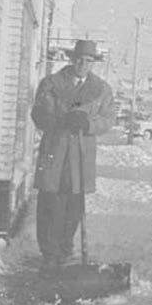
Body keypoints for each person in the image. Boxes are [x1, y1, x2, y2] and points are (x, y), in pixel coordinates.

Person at [31, 39, 115, 268]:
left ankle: (65, 251)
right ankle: (49, 254)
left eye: (88, 61)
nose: (83, 64)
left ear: (93, 63)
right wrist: (61, 121)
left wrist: (88, 124)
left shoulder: (102, 89)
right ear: (71, 59)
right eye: (79, 59)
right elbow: (39, 113)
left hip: (81, 156)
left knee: (73, 206)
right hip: (55, 152)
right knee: (50, 203)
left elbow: (108, 120)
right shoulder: (51, 84)